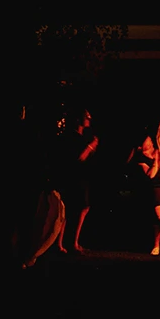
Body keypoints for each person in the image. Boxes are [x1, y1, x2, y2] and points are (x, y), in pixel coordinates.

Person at [56, 107, 99, 254]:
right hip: (74, 178)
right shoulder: (71, 137)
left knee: (82, 208)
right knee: (67, 210)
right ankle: (61, 244)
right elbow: (78, 158)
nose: (89, 118)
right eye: (87, 116)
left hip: (83, 177)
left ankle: (72, 241)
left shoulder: (82, 137)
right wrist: (90, 147)